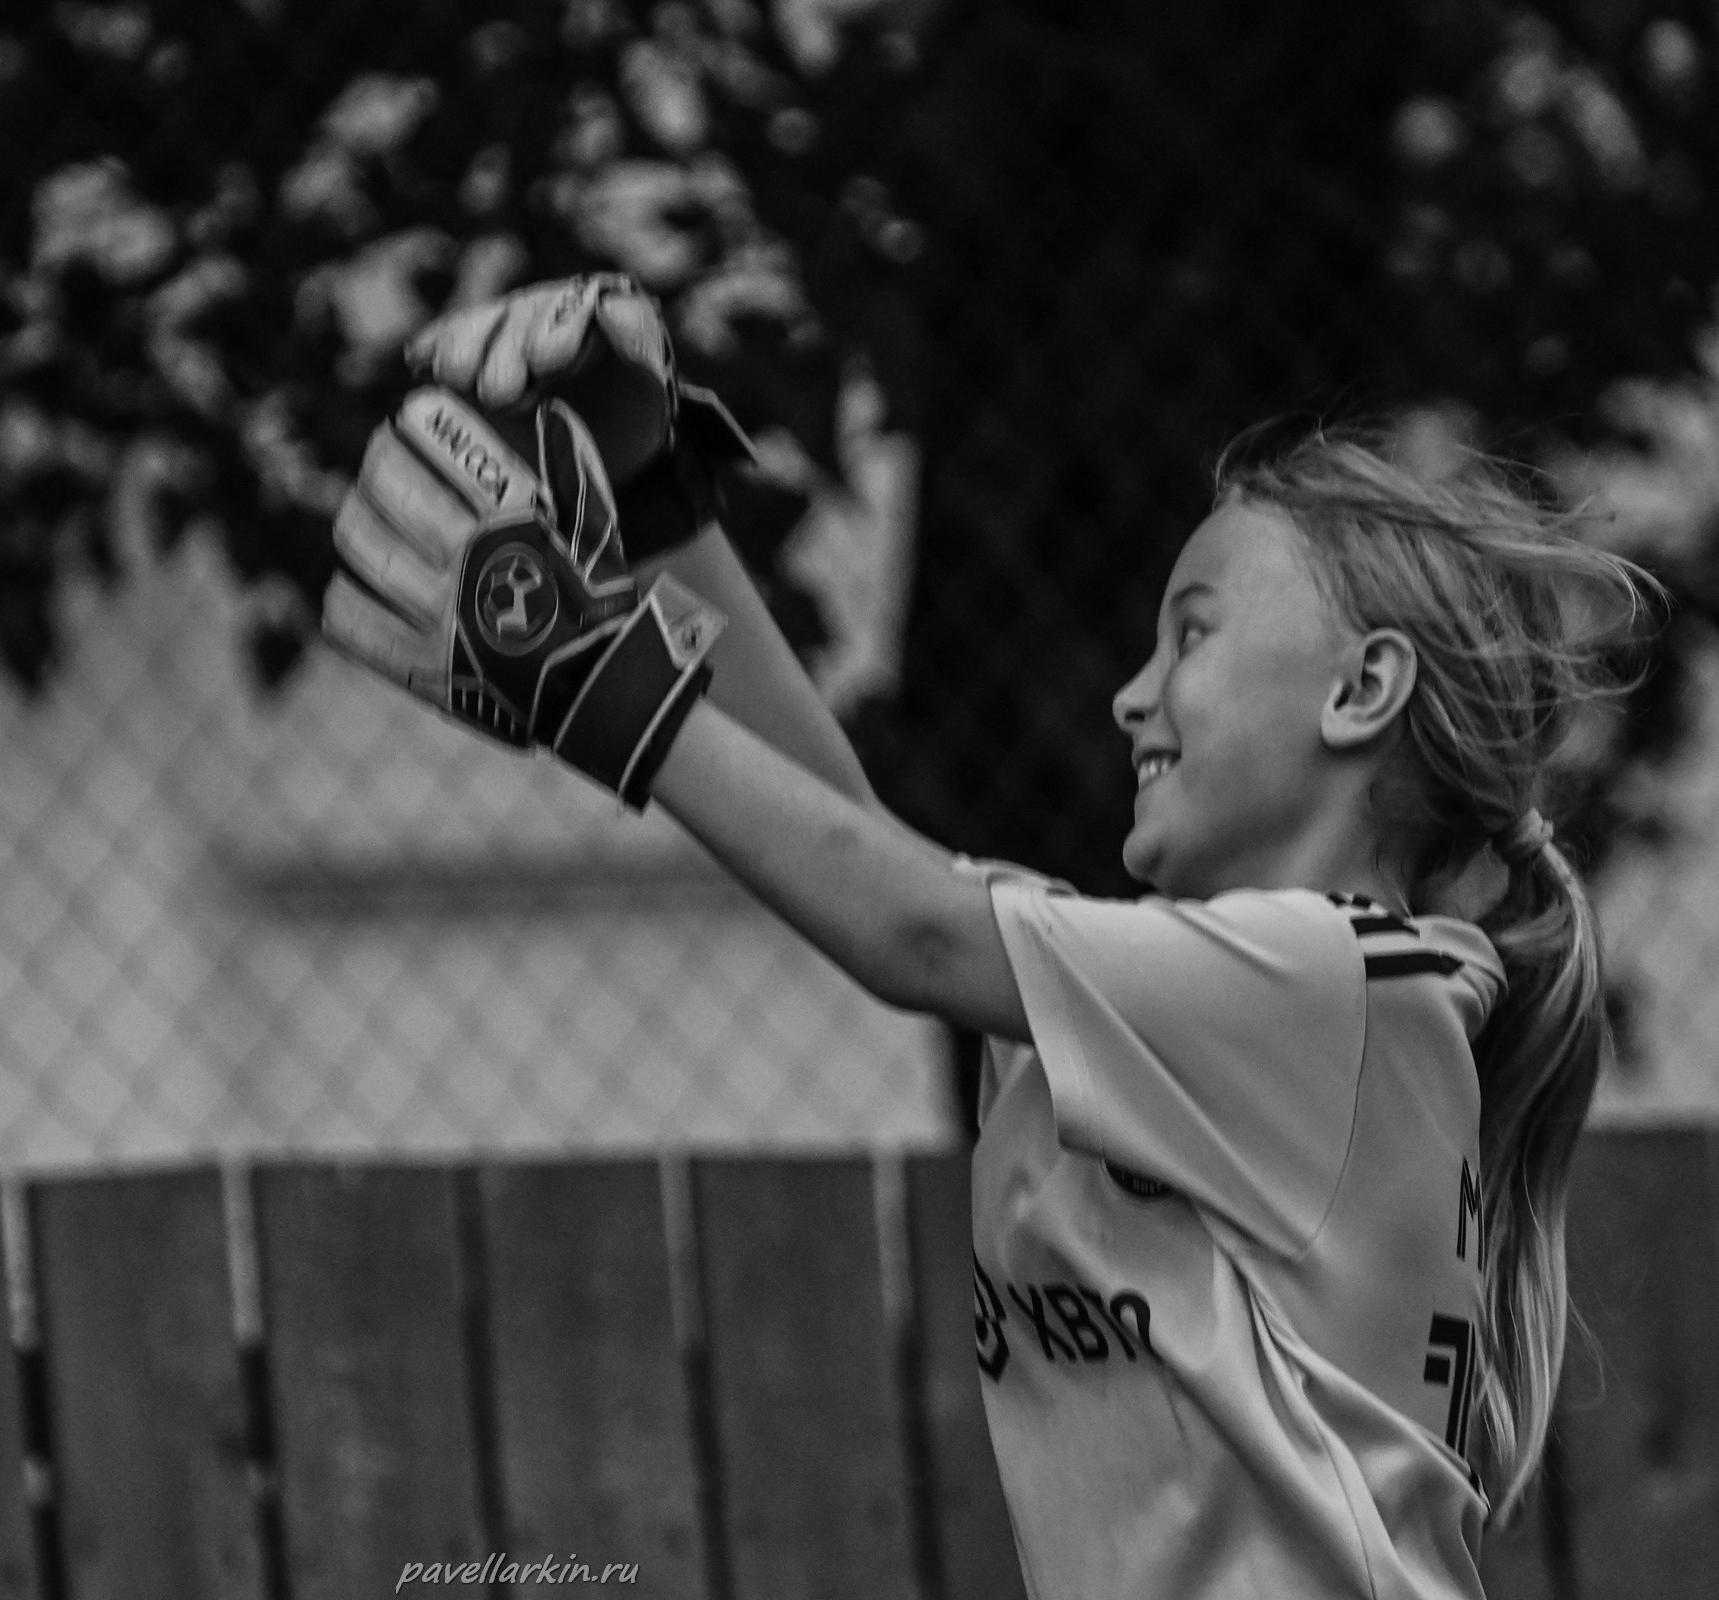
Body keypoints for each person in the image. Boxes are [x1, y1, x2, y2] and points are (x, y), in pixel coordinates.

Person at [322, 274, 1661, 1600]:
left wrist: (573, 667)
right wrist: (649, 494)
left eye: (1190, 635)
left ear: (1363, 689)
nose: (1133, 697)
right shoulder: (1189, 1001)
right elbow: (854, 841)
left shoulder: (1341, 989)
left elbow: (904, 923)